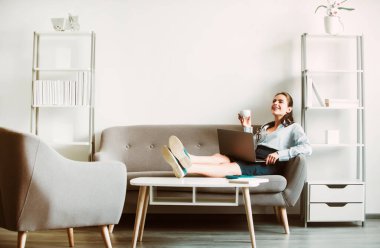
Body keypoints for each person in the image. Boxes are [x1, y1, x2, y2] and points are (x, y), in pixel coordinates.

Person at [161, 92, 312, 178]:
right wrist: (246, 128)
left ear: (289, 109)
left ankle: (186, 168)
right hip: (254, 157)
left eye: (280, 101)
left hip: (268, 164)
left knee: (230, 166)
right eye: (274, 100)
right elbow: (251, 147)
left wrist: (281, 153)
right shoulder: (266, 127)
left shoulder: (293, 127)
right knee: (220, 157)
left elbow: (307, 147)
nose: (275, 103)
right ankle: (188, 157)